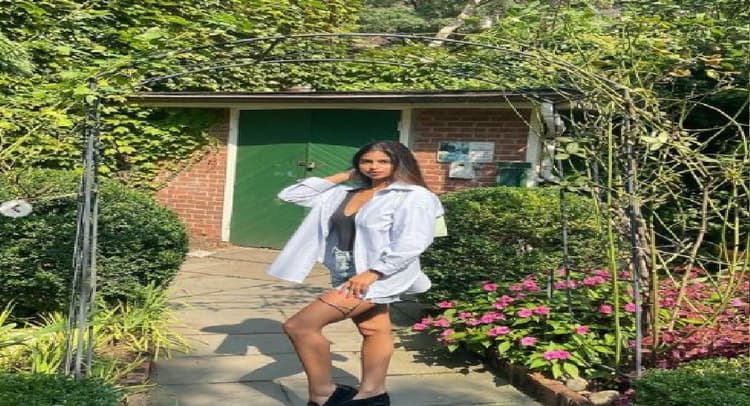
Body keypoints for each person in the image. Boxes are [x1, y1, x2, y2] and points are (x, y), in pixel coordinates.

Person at [267, 140, 444, 406]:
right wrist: (346, 175)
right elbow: (292, 195)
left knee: (300, 326)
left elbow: (412, 242)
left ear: (400, 163)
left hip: (379, 275)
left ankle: (323, 393)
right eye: (366, 161)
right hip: (345, 270)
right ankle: (373, 394)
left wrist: (374, 273)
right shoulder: (344, 193)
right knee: (374, 329)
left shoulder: (413, 196)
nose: (374, 167)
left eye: (383, 161)